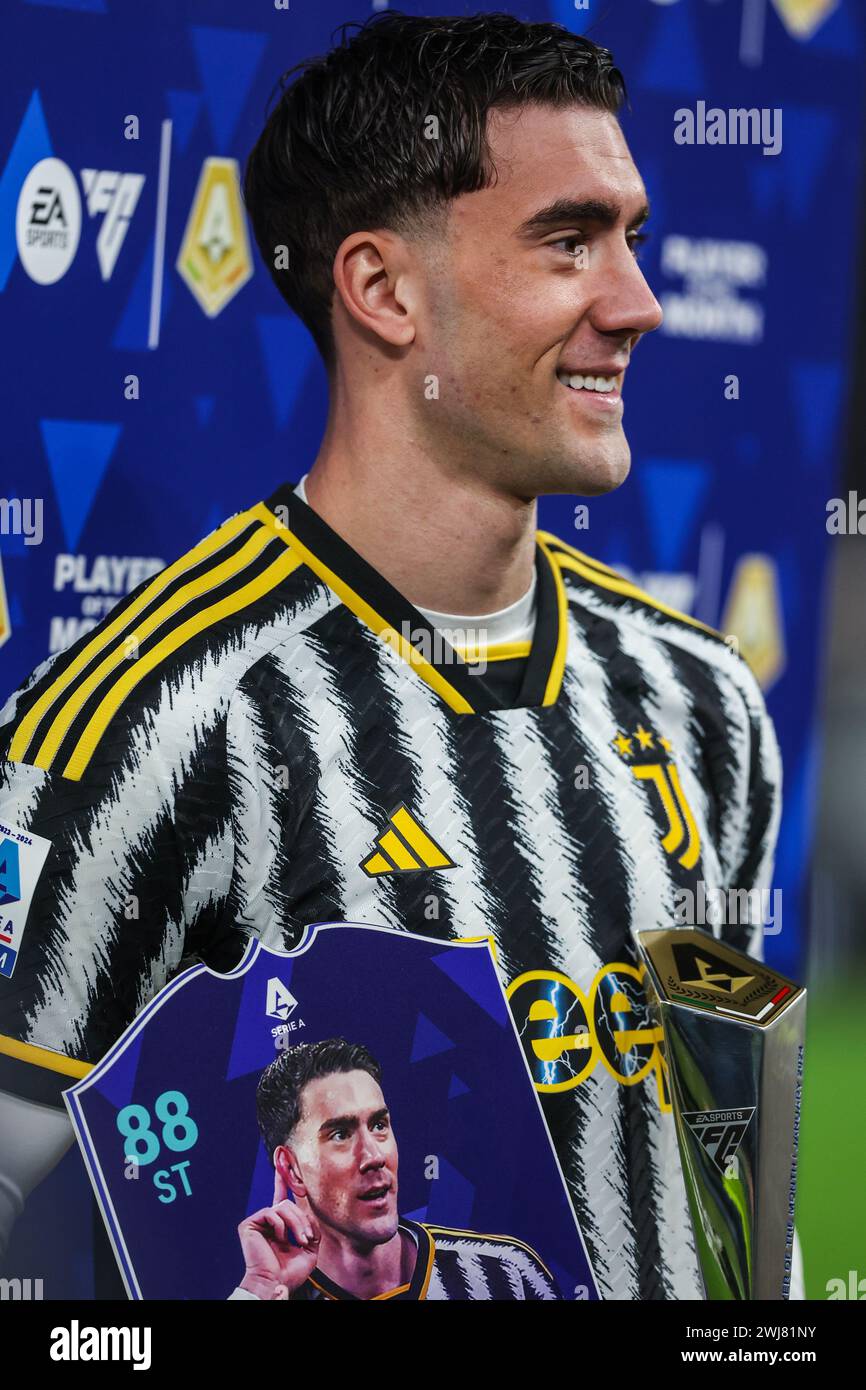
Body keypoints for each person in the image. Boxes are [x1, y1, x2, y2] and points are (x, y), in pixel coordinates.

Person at [0, 12, 793, 1299]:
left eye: (631, 240)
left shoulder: (699, 693)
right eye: (568, 241)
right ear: (380, 291)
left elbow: (735, 1179)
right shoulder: (149, 719)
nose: (638, 302)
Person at [230, 1037, 560, 1300]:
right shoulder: (273, 1294)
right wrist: (259, 1287)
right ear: (292, 1170)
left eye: (378, 1125)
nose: (373, 1155)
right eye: (341, 1134)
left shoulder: (507, 1275)